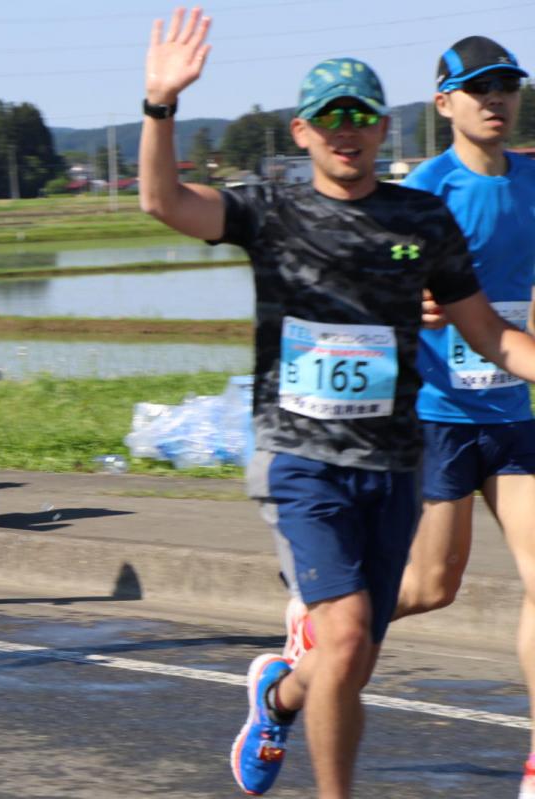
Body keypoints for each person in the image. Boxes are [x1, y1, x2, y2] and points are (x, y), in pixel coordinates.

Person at [139, 9, 535, 797]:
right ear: (302, 132)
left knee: (355, 647)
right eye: (330, 119)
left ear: (382, 129)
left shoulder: (417, 218)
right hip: (311, 457)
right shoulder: (272, 208)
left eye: (359, 117)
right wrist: (160, 106)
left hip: (395, 460)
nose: (345, 131)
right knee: (357, 628)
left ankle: (280, 692)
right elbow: (164, 204)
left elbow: (489, 329)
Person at [378, 37, 535, 799]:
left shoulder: (534, 181)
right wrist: (415, 304)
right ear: (445, 104)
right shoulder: (425, 190)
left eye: (507, 86)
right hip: (440, 415)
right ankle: (310, 650)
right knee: (433, 586)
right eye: (479, 89)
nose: (496, 100)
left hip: (513, 410)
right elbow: (377, 296)